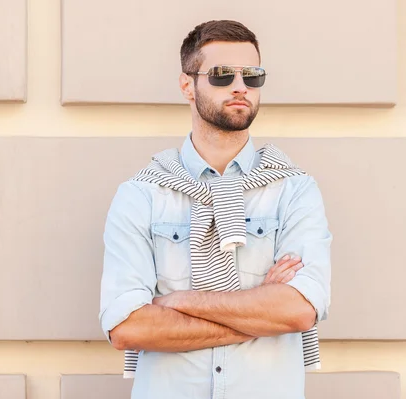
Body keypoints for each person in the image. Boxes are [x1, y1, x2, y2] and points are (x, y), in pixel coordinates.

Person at [99, 20, 332, 399]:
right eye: (223, 75)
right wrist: (259, 312)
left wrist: (180, 302)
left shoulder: (293, 189)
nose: (241, 87)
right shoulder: (143, 193)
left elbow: (300, 310)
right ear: (187, 85)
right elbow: (128, 327)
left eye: (252, 76)